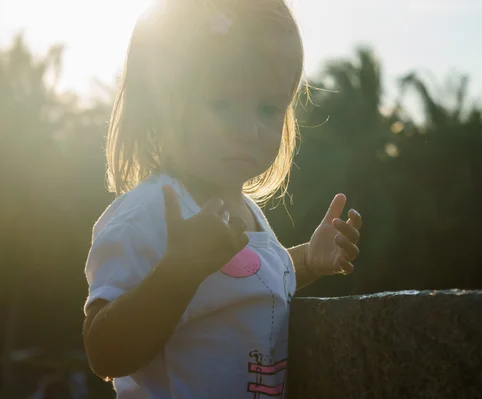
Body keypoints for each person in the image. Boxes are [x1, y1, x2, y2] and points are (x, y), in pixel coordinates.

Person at [82, 0, 363, 397]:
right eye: (221, 105)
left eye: (268, 108)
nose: (247, 130)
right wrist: (179, 270)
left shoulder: (248, 213)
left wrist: (305, 261)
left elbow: (248, 283)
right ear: (164, 106)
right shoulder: (149, 213)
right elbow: (103, 351)